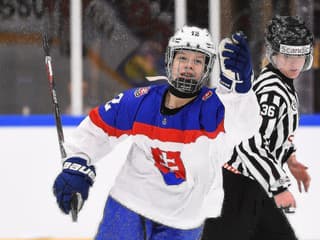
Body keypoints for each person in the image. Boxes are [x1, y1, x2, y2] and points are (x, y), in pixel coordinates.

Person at [52, 25, 260, 240]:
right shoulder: (140, 101)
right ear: (170, 61)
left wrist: (242, 90)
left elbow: (245, 124)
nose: (189, 66)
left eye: (198, 61)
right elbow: (98, 128)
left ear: (206, 68)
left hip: (184, 219)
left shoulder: (215, 107)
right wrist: (77, 164)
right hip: (131, 204)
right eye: (183, 58)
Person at [201, 15, 313, 240]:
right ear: (272, 54)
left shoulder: (281, 84)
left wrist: (289, 158)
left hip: (254, 183)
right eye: (287, 56)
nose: (294, 64)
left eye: (300, 55)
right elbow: (250, 143)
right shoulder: (272, 90)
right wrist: (279, 187)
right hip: (237, 186)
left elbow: (272, 134)